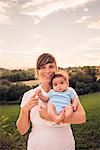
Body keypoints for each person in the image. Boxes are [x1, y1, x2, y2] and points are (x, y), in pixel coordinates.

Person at [16, 53, 86, 150]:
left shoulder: (67, 92)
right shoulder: (29, 95)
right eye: (42, 67)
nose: (47, 71)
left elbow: (82, 117)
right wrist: (24, 111)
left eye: (51, 66)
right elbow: (22, 130)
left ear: (56, 69)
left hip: (66, 146)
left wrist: (49, 116)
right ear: (37, 71)